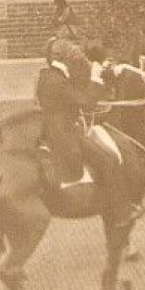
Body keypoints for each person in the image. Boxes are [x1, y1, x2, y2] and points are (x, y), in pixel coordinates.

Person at [36, 37, 96, 187]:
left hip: (48, 127)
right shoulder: (59, 81)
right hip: (60, 131)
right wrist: (95, 78)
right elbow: (87, 103)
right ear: (66, 60)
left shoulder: (47, 74)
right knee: (95, 155)